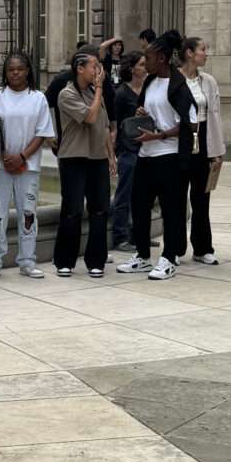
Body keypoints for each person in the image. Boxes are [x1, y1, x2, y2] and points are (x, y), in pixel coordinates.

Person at [116, 29, 195, 281]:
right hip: (146, 155)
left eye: (148, 58)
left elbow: (190, 124)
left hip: (169, 155)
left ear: (161, 57)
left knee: (171, 209)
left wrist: (159, 135)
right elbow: (152, 111)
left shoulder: (179, 85)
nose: (144, 62)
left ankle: (169, 258)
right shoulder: (150, 82)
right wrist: (142, 113)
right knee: (139, 206)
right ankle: (142, 255)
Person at [0, 51, 53, 280]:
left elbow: (42, 133)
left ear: (27, 71)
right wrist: (5, 156)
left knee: (28, 214)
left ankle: (27, 261)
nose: (15, 73)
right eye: (10, 69)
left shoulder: (38, 98)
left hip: (28, 167)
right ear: (5, 73)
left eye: (20, 69)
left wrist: (22, 157)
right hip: (0, 167)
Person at [53, 49, 112, 278]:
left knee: (100, 210)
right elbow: (90, 117)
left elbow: (104, 126)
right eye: (94, 66)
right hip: (74, 158)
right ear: (80, 68)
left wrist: (111, 156)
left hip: (98, 158)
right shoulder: (66, 94)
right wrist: (99, 88)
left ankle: (96, 261)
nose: (98, 71)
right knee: (72, 210)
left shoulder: (97, 93)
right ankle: (64, 261)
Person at [180, 36, 225, 264]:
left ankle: (202, 247)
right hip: (181, 140)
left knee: (201, 197)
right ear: (189, 53)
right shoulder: (174, 79)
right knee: (178, 196)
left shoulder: (208, 81)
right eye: (203, 49)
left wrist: (217, 150)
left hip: (204, 138)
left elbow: (215, 116)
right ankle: (176, 249)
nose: (206, 53)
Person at [108, 52, 146, 249]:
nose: (145, 66)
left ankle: (137, 234)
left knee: (141, 195)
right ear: (132, 69)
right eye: (141, 64)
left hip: (146, 148)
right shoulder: (121, 94)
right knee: (124, 193)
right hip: (128, 149)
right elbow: (114, 123)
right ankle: (120, 236)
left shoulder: (147, 89)